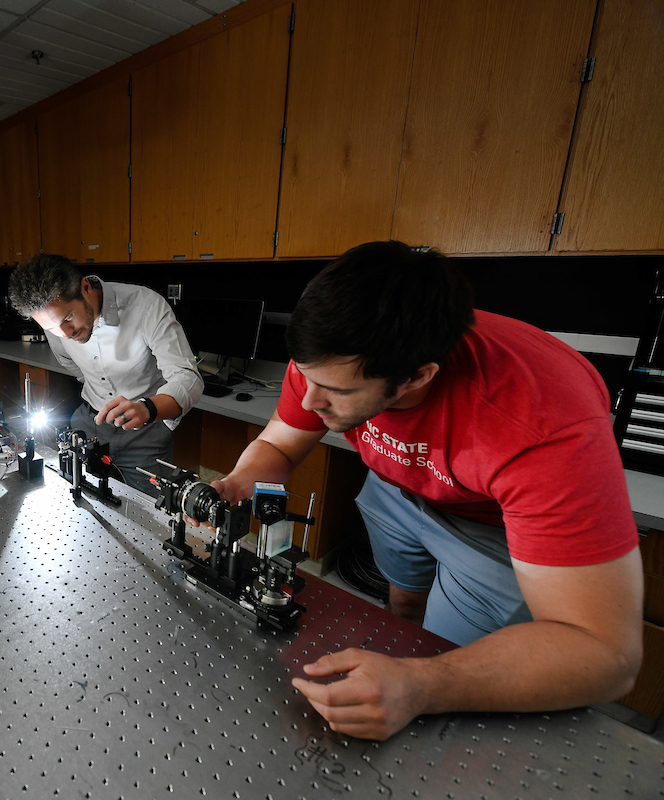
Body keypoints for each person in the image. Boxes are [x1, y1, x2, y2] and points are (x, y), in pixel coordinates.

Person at [213, 241, 643, 740]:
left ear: (418, 375)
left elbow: (605, 653)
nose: (310, 401)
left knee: (442, 662)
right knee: (405, 613)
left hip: (490, 527)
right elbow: (279, 447)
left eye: (339, 392)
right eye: (304, 377)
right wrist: (236, 485)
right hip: (396, 487)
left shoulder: (543, 428)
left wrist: (423, 685)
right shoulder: (333, 356)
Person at [8, 255, 203, 493]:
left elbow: (187, 376)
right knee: (81, 501)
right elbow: (75, 368)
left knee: (148, 517)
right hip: (89, 426)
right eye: (50, 328)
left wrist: (146, 408)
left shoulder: (146, 307)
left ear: (85, 288)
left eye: (68, 318)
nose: (65, 334)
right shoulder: (57, 327)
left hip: (145, 435)